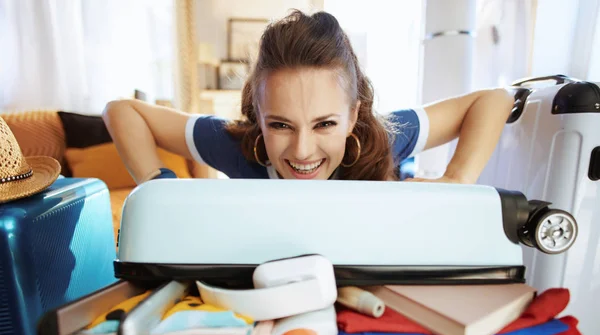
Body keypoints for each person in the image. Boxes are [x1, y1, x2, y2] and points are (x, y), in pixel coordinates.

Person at [102, 9, 514, 184]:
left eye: (325, 124)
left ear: (353, 116)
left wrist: (456, 179)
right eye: (280, 124)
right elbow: (121, 111)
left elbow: (493, 101)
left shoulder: (381, 139)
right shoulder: (240, 148)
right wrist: (157, 186)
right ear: (258, 115)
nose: (302, 150)